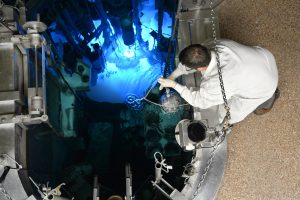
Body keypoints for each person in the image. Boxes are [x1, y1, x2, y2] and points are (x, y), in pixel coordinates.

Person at [158, 39, 279, 124]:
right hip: (265, 57)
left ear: (199, 69)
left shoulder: (217, 83)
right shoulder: (211, 45)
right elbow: (191, 61)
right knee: (243, 83)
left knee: (231, 114)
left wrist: (175, 85)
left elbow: (198, 100)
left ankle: (268, 101)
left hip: (266, 85)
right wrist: (173, 76)